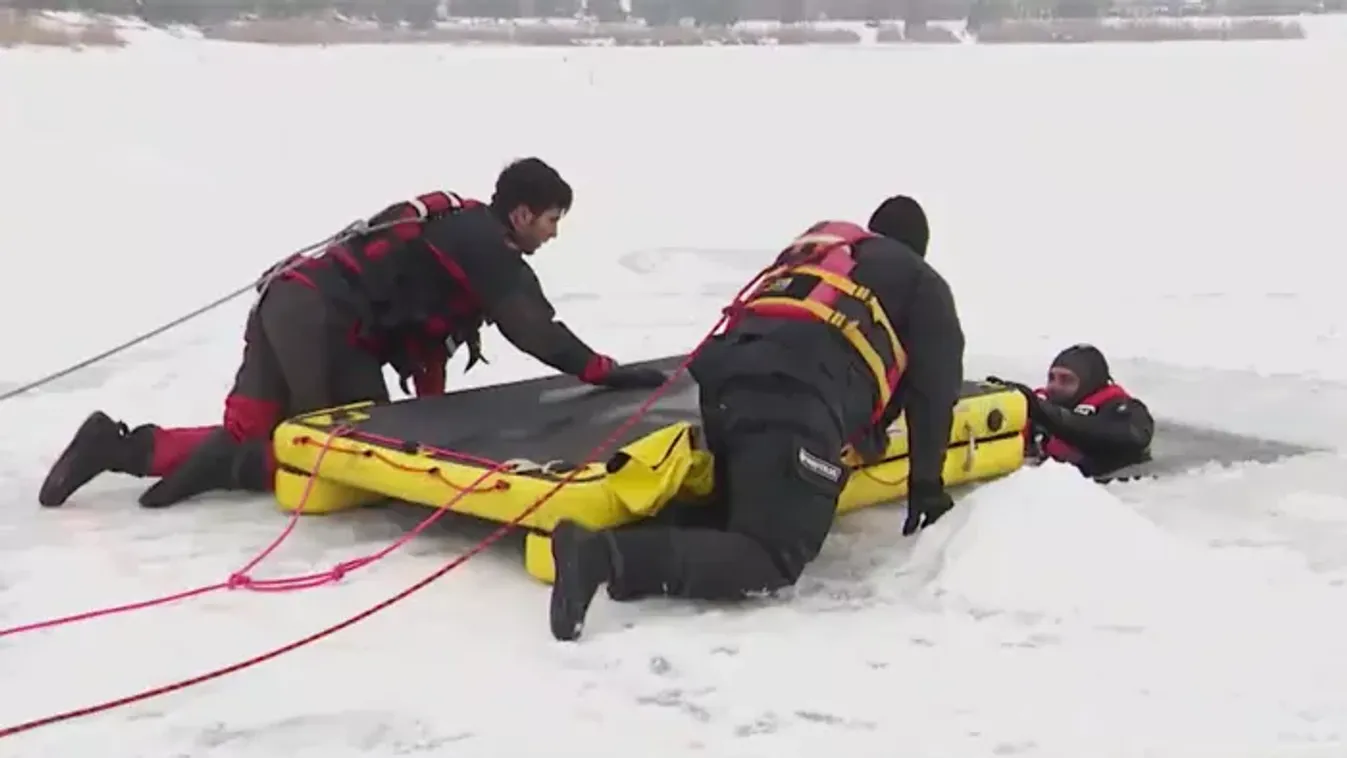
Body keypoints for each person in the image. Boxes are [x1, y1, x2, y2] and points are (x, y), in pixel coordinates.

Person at [38, 157, 667, 510]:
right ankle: (216, 467)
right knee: (357, 460)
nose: (553, 234)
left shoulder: (457, 229)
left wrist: (438, 421)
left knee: (253, 427)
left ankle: (115, 446)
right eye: (553, 220)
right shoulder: (488, 247)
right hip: (324, 320)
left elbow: (427, 345)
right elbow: (535, 329)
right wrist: (604, 372)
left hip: (287, 299)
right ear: (523, 213)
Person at [546, 195, 967, 641]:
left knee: (735, 512)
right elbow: (934, 392)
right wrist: (926, 487)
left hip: (726, 377)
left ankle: (636, 558)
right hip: (795, 389)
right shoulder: (923, 283)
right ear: (918, 248)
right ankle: (601, 556)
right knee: (771, 554)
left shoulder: (829, 252)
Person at [987, 343, 1154, 478]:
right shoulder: (1041, 408)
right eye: (1052, 378)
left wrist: (1042, 411)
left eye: (1066, 380)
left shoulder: (1129, 414)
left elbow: (1111, 437)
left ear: (1090, 383)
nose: (1054, 386)